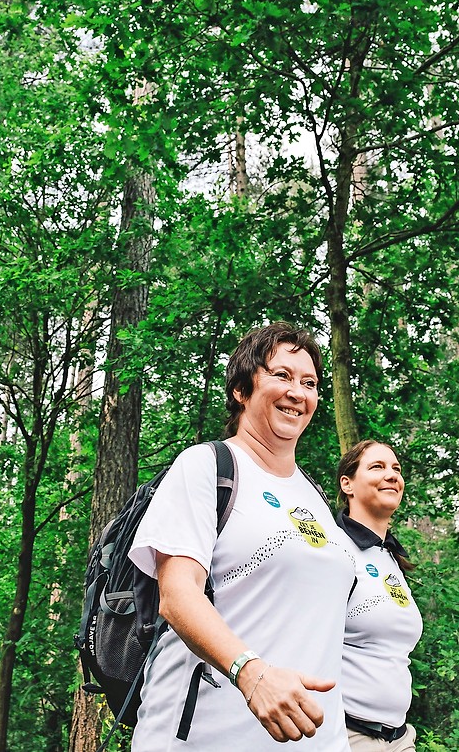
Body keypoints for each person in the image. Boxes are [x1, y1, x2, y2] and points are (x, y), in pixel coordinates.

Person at [129, 322, 357, 751]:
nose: (298, 392)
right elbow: (177, 596)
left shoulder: (314, 498)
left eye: (309, 383)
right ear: (241, 389)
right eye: (281, 375)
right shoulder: (206, 467)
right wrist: (251, 674)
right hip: (204, 738)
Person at [335, 440, 422, 752]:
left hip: (399, 736)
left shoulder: (390, 558)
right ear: (348, 484)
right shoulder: (331, 549)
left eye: (396, 469)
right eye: (377, 467)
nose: (391, 475)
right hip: (347, 733)